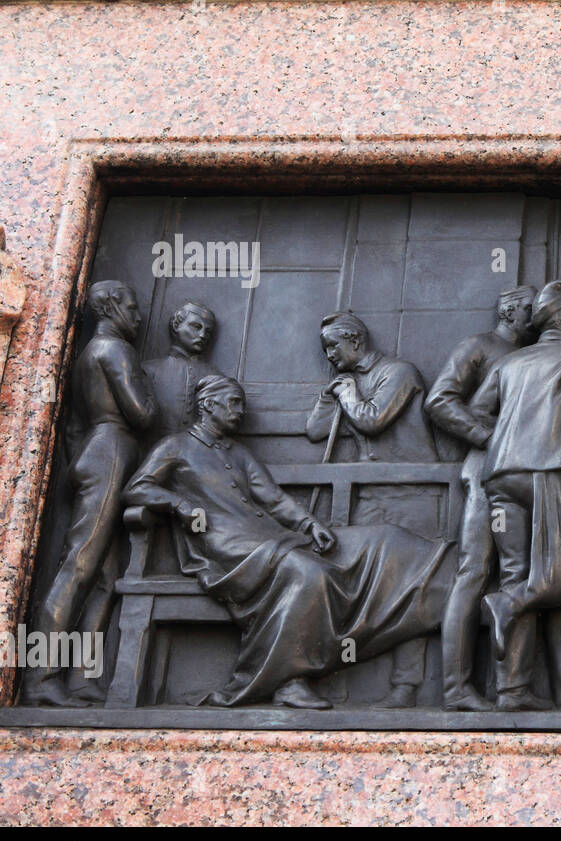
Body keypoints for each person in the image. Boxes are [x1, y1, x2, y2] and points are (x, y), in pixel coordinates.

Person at [124, 375, 451, 709]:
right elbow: (136, 488)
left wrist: (310, 524)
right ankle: (287, 681)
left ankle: (444, 576)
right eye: (234, 403)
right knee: (310, 574)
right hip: (224, 546)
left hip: (269, 537)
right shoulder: (175, 447)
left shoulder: (237, 452)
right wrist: (177, 504)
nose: (241, 412)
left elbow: (274, 499)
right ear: (209, 405)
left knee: (382, 540)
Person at [426, 286, 561, 711]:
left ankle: (544, 684)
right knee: (476, 571)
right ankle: (456, 687)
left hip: (516, 467)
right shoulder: (482, 348)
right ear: (511, 311)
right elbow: (440, 400)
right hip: (490, 471)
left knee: (540, 565)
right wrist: (497, 438)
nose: (536, 318)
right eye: (529, 311)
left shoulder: (530, 357)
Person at [469, 282, 561, 710]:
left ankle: (513, 689)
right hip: (551, 473)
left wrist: (502, 443)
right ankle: (514, 610)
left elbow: (479, 410)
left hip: (500, 477)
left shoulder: (512, 362)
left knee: (518, 569)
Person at [23, 281, 158, 707]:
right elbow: (143, 412)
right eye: (132, 308)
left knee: (104, 576)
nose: (138, 317)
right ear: (112, 306)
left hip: (94, 451)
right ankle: (41, 678)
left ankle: (83, 677)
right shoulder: (114, 350)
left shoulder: (88, 354)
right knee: (79, 568)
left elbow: (75, 428)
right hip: (112, 452)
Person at [306, 310, 438, 707]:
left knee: (411, 590)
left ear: (356, 341)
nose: (329, 354)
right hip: (370, 494)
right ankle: (339, 676)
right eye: (325, 348)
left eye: (333, 345)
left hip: (412, 495)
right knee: (354, 584)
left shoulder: (400, 372)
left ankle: (405, 686)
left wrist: (347, 395)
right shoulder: (348, 381)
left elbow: (373, 420)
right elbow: (315, 431)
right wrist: (328, 395)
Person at [143, 302, 221, 445]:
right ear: (176, 325)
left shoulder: (214, 376)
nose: (203, 335)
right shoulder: (149, 370)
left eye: (208, 331)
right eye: (196, 327)